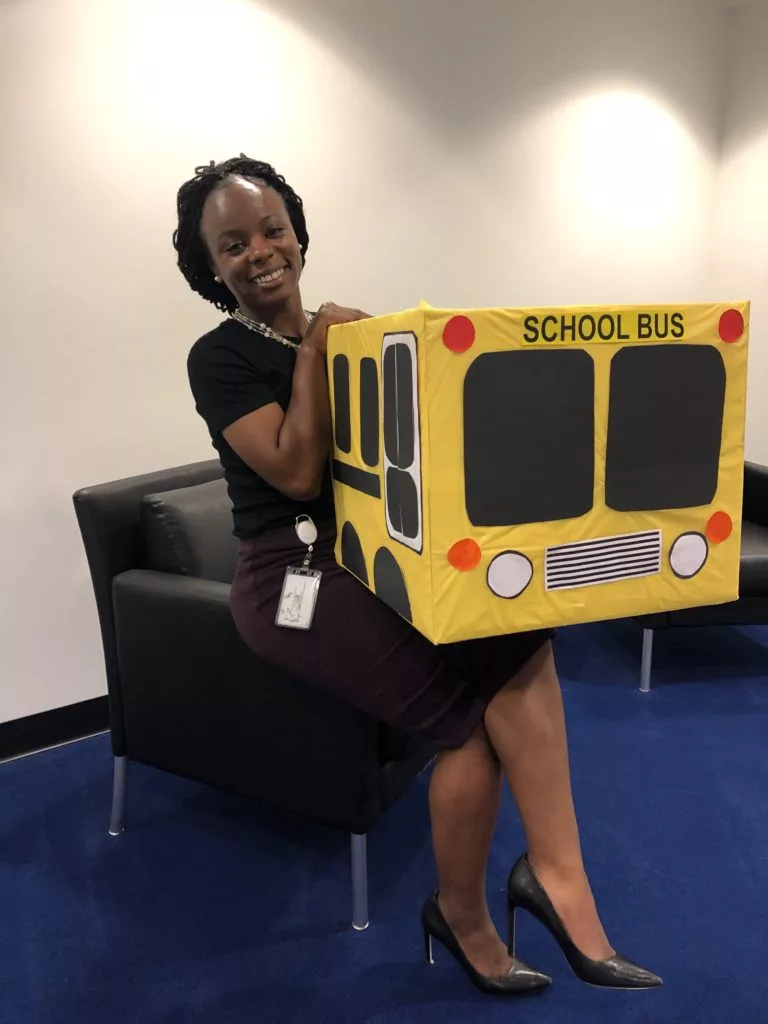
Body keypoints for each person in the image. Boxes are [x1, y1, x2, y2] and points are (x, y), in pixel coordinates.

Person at [174, 155, 662, 997]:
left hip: (371, 554)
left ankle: (550, 876)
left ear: (297, 233)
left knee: (519, 630)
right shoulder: (219, 358)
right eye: (233, 244)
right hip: (289, 580)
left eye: (272, 229)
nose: (260, 252)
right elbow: (296, 473)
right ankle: (472, 912)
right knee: (471, 721)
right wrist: (319, 349)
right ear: (211, 268)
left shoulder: (351, 336)